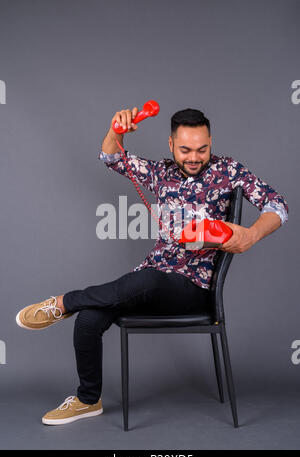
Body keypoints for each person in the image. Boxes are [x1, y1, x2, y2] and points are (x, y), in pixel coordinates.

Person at [16, 107, 289, 426]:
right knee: (91, 318)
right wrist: (116, 129)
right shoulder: (160, 172)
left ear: (211, 142)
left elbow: (277, 205)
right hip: (147, 281)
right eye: (185, 149)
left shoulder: (229, 170)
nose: (194, 157)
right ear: (171, 144)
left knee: (147, 280)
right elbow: (110, 157)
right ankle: (88, 399)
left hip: (193, 288)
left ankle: (63, 303)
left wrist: (252, 234)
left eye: (202, 149)